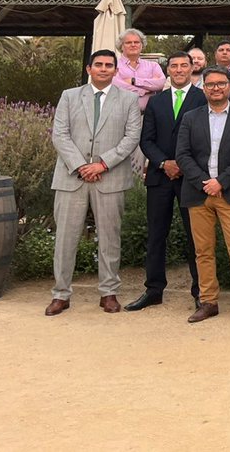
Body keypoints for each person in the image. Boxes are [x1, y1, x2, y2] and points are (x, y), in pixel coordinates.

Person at [46, 50, 142, 317]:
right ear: (89, 69)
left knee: (110, 239)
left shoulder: (129, 99)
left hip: (109, 177)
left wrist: (101, 164)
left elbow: (132, 136)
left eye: (108, 65)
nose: (103, 69)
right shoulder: (69, 96)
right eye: (98, 64)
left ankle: (109, 292)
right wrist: (80, 166)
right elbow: (60, 134)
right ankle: (60, 294)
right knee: (65, 238)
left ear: (116, 70)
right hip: (70, 177)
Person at [175, 67, 230, 326]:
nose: (216, 88)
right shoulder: (191, 117)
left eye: (221, 83)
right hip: (198, 193)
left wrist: (221, 182)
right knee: (203, 251)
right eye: (210, 84)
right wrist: (205, 183)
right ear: (204, 88)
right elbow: (183, 155)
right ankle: (208, 301)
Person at [127, 51, 205, 312]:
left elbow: (205, 139)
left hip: (191, 178)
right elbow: (146, 139)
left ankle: (200, 291)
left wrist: (184, 165)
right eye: (174, 66)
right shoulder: (156, 102)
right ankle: (154, 289)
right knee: (156, 235)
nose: (180, 70)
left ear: (192, 68)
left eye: (184, 65)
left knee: (196, 237)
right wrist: (164, 163)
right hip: (160, 177)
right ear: (168, 70)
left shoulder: (202, 98)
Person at [113, 28, 165, 113]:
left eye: (136, 42)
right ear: (121, 46)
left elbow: (161, 83)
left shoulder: (153, 65)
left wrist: (134, 81)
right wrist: (145, 90)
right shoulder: (113, 66)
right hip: (121, 115)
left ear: (142, 45)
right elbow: (117, 86)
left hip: (148, 116)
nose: (133, 45)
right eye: (128, 42)